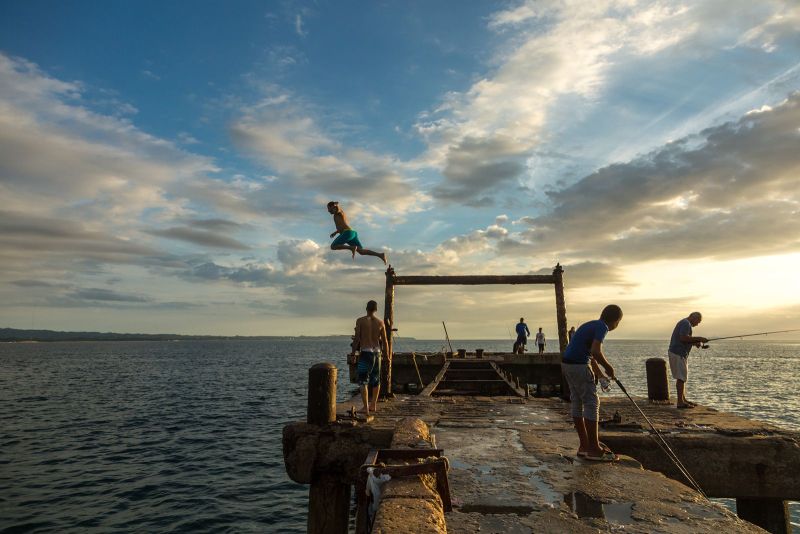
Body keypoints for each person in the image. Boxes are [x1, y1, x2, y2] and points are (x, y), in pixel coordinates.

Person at [562, 304, 623, 461]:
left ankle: (584, 446)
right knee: (591, 403)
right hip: (579, 365)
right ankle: (594, 449)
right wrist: (609, 367)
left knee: (576, 402)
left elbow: (590, 356)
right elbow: (596, 351)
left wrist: (601, 375)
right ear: (616, 321)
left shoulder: (590, 325)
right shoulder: (602, 327)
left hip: (567, 365)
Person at [352, 300, 390, 415]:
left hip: (366, 353)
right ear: (376, 309)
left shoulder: (360, 321)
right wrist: (387, 356)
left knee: (363, 381)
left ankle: (366, 408)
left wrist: (353, 352)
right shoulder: (380, 322)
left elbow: (357, 339)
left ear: (366, 308)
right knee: (376, 380)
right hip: (377, 353)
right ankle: (373, 405)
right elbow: (385, 341)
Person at [668, 312, 707, 409]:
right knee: (681, 378)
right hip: (678, 353)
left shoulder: (684, 322)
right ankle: (680, 402)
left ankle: (683, 399)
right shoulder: (686, 323)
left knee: (682, 377)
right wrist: (699, 338)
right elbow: (683, 338)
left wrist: (695, 343)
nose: (697, 324)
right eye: (698, 321)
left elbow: (685, 339)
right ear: (693, 317)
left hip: (679, 353)